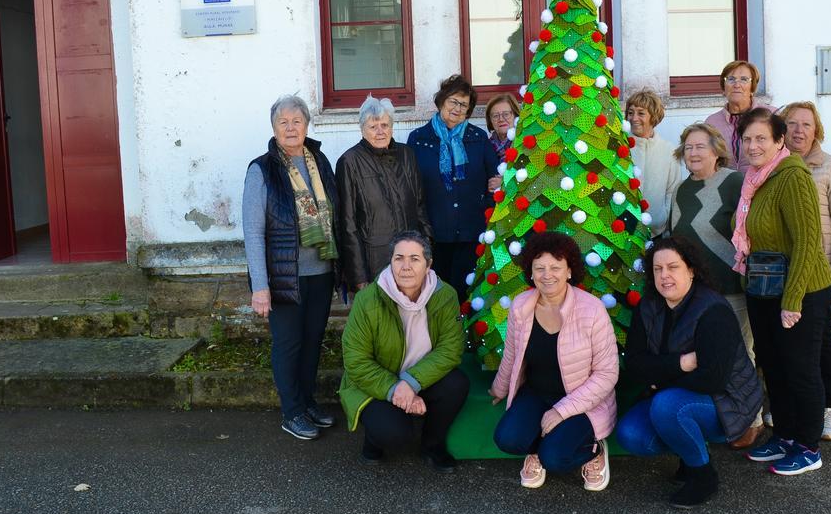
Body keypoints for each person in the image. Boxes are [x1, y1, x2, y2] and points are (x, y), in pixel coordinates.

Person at [616, 238, 763, 508]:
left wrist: (659, 383)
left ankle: (703, 477)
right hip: (681, 394)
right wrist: (680, 364)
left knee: (666, 406)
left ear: (691, 270)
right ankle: (689, 450)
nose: (665, 275)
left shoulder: (713, 310)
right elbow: (634, 364)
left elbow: (712, 378)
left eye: (673, 267)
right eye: (658, 269)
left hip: (728, 401)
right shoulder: (648, 306)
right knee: (631, 434)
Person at [731, 108, 831, 476]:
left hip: (801, 289)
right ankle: (787, 435)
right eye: (747, 139)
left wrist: (793, 301)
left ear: (778, 141)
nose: (753, 145)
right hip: (764, 287)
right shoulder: (756, 180)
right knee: (774, 366)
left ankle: (808, 445)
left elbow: (809, 242)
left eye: (761, 138)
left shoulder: (792, 177)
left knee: (800, 369)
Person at [489, 232, 618, 492]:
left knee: (556, 459)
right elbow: (512, 356)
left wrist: (561, 410)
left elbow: (607, 374)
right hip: (537, 392)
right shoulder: (521, 306)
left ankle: (594, 451)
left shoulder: (592, 310)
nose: (547, 275)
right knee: (507, 439)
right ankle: (535, 449)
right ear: (531, 272)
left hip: (582, 400)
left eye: (555, 267)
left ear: (569, 271)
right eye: (540, 268)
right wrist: (499, 388)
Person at [243, 95, 340, 441]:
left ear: (306, 125)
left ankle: (308, 402)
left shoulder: (319, 161)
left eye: (296, 120)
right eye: (282, 121)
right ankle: (292, 411)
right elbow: (253, 232)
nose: (290, 127)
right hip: (285, 277)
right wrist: (260, 285)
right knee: (289, 344)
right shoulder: (262, 169)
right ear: (273, 128)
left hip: (321, 272)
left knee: (313, 341)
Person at [339, 231, 469, 472]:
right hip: (377, 382)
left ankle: (432, 445)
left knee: (456, 383)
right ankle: (373, 439)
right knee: (395, 437)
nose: (406, 267)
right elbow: (356, 360)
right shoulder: (368, 300)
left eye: (415, 259)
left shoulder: (445, 295)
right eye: (399, 258)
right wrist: (395, 387)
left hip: (421, 377)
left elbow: (451, 349)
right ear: (391, 262)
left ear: (428, 264)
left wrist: (411, 383)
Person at [667, 122, 763, 448]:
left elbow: (749, 228)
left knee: (740, 353)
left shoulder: (734, 182)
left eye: (700, 146)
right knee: (706, 357)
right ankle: (720, 419)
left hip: (730, 286)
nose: (693, 153)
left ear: (716, 150)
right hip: (696, 294)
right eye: (688, 147)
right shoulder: (681, 190)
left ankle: (752, 420)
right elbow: (675, 237)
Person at [780, 101, 831, 442]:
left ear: (816, 130)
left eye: (806, 125)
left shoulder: (830, 168)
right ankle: (792, 407)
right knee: (787, 344)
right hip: (785, 273)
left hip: (820, 276)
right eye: (792, 123)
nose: (798, 130)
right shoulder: (773, 167)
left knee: (820, 343)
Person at [408, 74, 499, 299]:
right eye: (453, 101)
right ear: (441, 101)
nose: (458, 109)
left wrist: (484, 210)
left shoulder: (478, 138)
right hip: (433, 234)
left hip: (470, 232)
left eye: (464, 105)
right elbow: (410, 186)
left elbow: (495, 178)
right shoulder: (418, 139)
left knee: (464, 294)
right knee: (433, 296)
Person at [336, 95, 433, 294]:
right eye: (373, 126)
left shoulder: (407, 155)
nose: (380, 131)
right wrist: (359, 277)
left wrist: (427, 253)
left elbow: (420, 207)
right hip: (375, 261)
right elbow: (348, 224)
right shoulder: (349, 162)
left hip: (410, 260)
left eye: (385, 125)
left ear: (392, 126)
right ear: (362, 129)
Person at [625, 89, 683, 233]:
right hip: (623, 232)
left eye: (641, 113)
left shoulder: (669, 151)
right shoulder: (620, 147)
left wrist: (664, 219)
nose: (634, 118)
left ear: (654, 117)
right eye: (630, 112)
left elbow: (673, 190)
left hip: (657, 232)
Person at [705, 60, 776, 170]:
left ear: (752, 87)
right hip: (726, 185)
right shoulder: (712, 122)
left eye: (744, 79)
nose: (737, 85)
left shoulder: (771, 115)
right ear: (724, 88)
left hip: (764, 183)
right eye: (731, 79)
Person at [484, 92, 520, 159]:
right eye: (495, 116)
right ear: (490, 120)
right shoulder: (485, 147)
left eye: (506, 114)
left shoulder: (524, 145)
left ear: (516, 116)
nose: (501, 119)